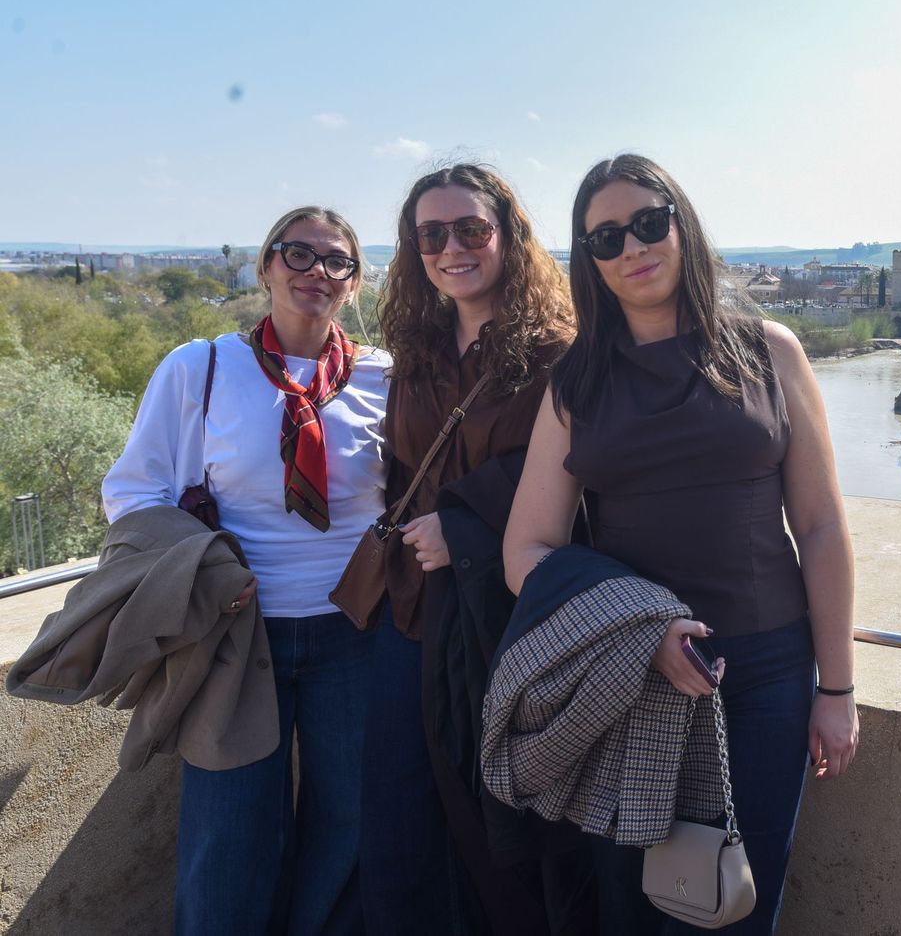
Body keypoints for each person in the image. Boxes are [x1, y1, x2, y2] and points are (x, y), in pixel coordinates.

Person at [501, 154, 858, 935]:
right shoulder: (575, 384)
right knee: (629, 905)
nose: (631, 247)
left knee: (733, 905)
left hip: (765, 671)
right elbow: (526, 549)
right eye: (604, 239)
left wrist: (837, 689)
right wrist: (638, 629)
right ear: (588, 262)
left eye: (647, 223)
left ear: (681, 223)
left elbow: (824, 527)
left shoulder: (769, 350)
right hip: (628, 677)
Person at [102, 207, 388, 935]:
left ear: (354, 284)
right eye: (297, 254)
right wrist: (209, 573)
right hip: (233, 637)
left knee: (351, 822)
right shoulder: (200, 366)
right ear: (264, 267)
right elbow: (134, 492)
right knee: (228, 833)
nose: (315, 272)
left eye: (337, 262)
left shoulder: (386, 377)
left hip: (353, 635)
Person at [360, 165, 594, 934]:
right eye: (432, 235)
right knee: (402, 803)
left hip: (503, 615)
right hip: (415, 610)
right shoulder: (417, 348)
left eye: (471, 229)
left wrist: (459, 524)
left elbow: (574, 482)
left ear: (508, 237)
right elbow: (401, 463)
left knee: (503, 817)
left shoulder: (558, 353)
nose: (451, 248)